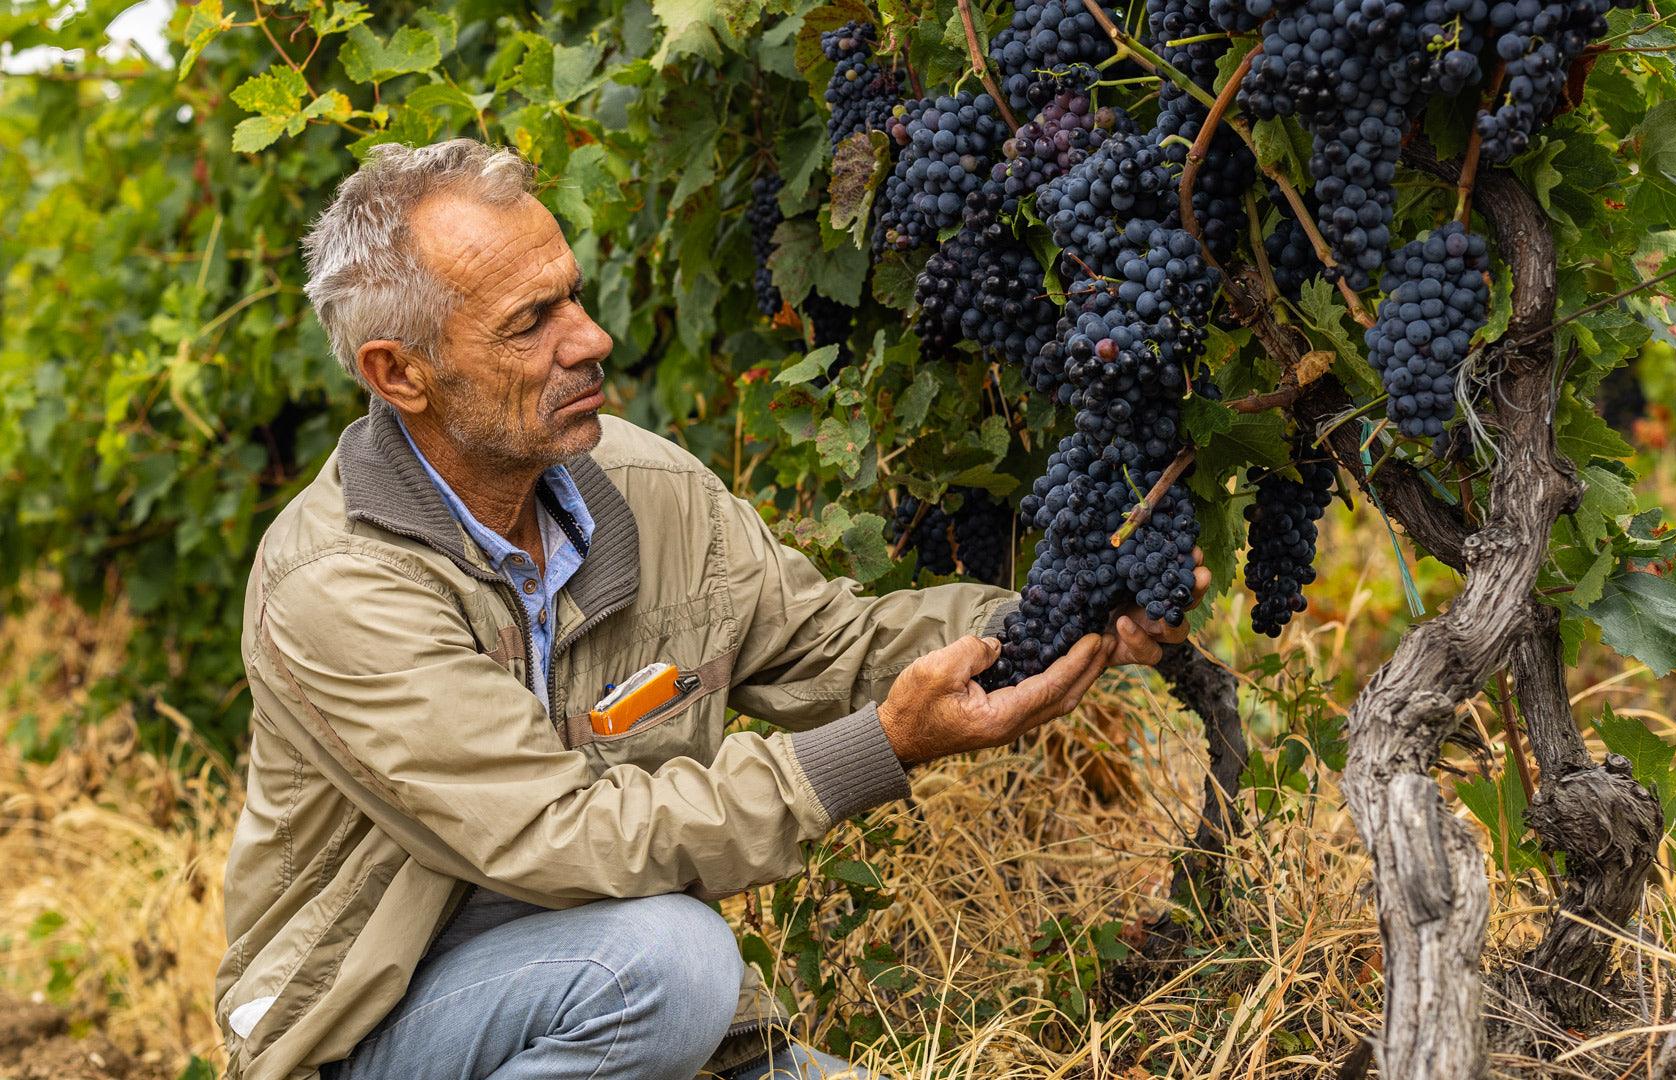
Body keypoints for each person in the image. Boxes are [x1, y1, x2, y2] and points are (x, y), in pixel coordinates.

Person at [215, 138, 1207, 1080]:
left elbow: (830, 643)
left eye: (573, 296)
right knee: (675, 961)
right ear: (399, 372)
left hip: (588, 995)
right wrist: (883, 747)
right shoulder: (339, 588)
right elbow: (565, 837)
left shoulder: (644, 485)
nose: (591, 339)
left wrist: (1065, 617)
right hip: (372, 1027)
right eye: (531, 322)